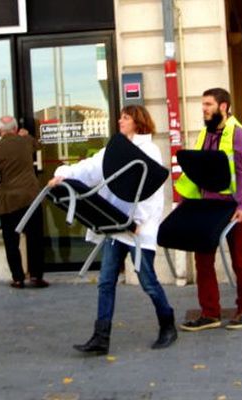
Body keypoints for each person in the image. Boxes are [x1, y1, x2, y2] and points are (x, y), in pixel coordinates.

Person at [48, 105, 177, 354]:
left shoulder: (149, 151)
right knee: (106, 281)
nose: (120, 121)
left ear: (138, 122)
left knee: (147, 281)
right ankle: (101, 337)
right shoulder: (115, 149)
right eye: (121, 117)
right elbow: (91, 167)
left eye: (125, 117)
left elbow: (150, 191)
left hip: (139, 229)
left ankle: (167, 324)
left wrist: (138, 220)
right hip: (116, 225)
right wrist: (63, 175)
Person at [176, 88, 242, 331]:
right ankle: (210, 312)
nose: (204, 109)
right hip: (206, 205)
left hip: (233, 206)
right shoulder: (205, 134)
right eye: (203, 104)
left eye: (208, 104)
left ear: (223, 106)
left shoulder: (239, 135)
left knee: (240, 260)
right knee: (203, 259)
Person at [0, 116, 48, 289]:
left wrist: (0, 187)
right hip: (30, 197)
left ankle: (18, 278)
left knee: (11, 240)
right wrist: (26, 135)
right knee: (34, 237)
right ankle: (36, 276)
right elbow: (38, 146)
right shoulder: (25, 142)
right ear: (15, 129)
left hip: (8, 201)